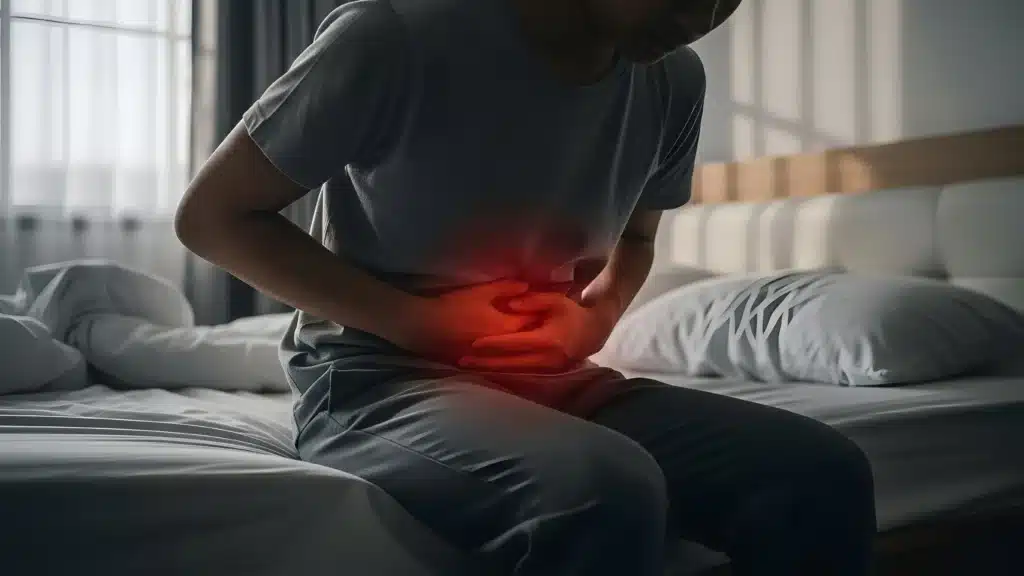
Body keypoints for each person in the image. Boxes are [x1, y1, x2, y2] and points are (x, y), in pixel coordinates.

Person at [176, 0, 877, 573]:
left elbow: (635, 241)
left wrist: (593, 321)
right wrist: (424, 324)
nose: (707, 11)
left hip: (555, 378)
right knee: (602, 491)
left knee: (822, 472)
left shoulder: (674, 81)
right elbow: (212, 217)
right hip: (376, 380)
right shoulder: (394, 36)